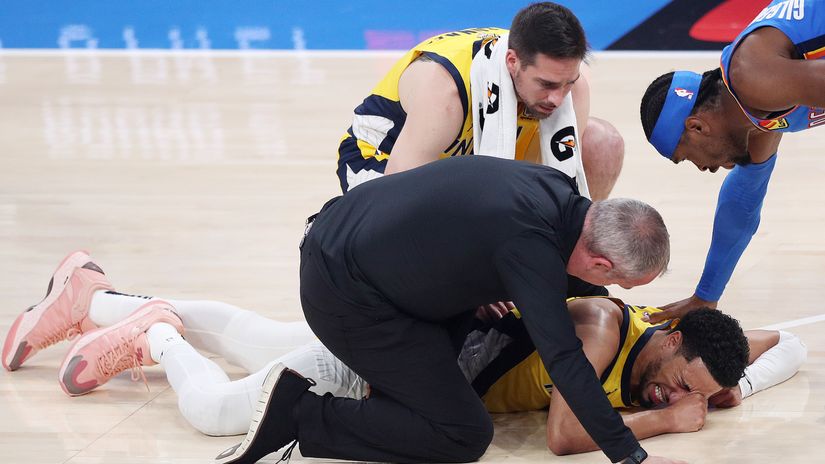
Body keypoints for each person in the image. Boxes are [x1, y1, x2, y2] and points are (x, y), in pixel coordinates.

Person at [3, 252, 805, 457]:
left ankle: (92, 294)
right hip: (399, 362)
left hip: (415, 340)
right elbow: (566, 437)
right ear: (664, 337)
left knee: (258, 336)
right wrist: (673, 427)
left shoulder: (677, 353)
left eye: (679, 395)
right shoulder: (601, 327)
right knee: (218, 412)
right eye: (673, 382)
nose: (670, 396)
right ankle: (155, 336)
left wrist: (730, 383)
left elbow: (787, 341)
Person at [217, 155, 672, 464]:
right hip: (344, 292)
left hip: (356, 245)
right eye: (613, 281)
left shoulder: (556, 190)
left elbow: (482, 237)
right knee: (464, 434)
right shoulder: (530, 249)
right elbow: (564, 357)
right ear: (599, 262)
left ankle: (380, 402)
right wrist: (629, 454)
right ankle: (297, 413)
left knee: (433, 403)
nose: (606, 288)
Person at [639, 0, 825, 322]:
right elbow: (742, 203)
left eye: (687, 158)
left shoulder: (754, 77)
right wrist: (706, 296)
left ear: (696, 127)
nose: (704, 169)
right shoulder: (757, 111)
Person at [338, 2, 624, 200]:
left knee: (602, 143)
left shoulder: (571, 90)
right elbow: (397, 198)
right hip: (385, 161)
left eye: (567, 83)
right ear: (513, 62)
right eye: (546, 84)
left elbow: (550, 182)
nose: (558, 98)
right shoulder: (446, 92)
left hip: (469, 159)